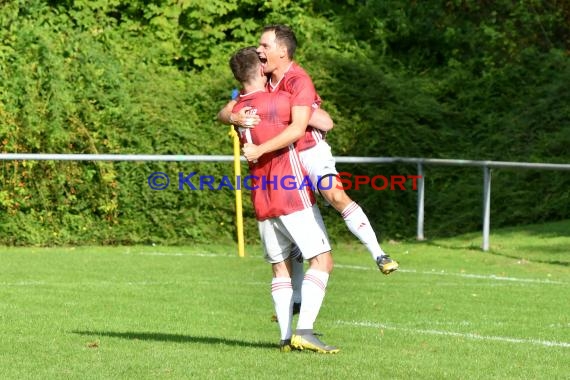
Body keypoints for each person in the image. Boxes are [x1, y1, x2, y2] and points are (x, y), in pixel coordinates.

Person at [218, 25, 399, 275]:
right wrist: (235, 117)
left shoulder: (298, 80)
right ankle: (297, 299)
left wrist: (294, 113)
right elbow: (226, 110)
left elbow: (325, 122)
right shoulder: (265, 79)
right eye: (259, 47)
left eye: (264, 46)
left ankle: (379, 253)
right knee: (290, 226)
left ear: (282, 51)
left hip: (310, 151)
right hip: (282, 157)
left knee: (334, 194)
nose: (259, 51)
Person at [229, 46, 339, 353]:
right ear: (262, 70)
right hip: (290, 193)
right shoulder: (280, 100)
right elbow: (325, 123)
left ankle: (284, 338)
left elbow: (225, 113)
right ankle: (305, 331)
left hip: (262, 199)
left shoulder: (239, 109)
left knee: (281, 268)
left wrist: (231, 114)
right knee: (322, 261)